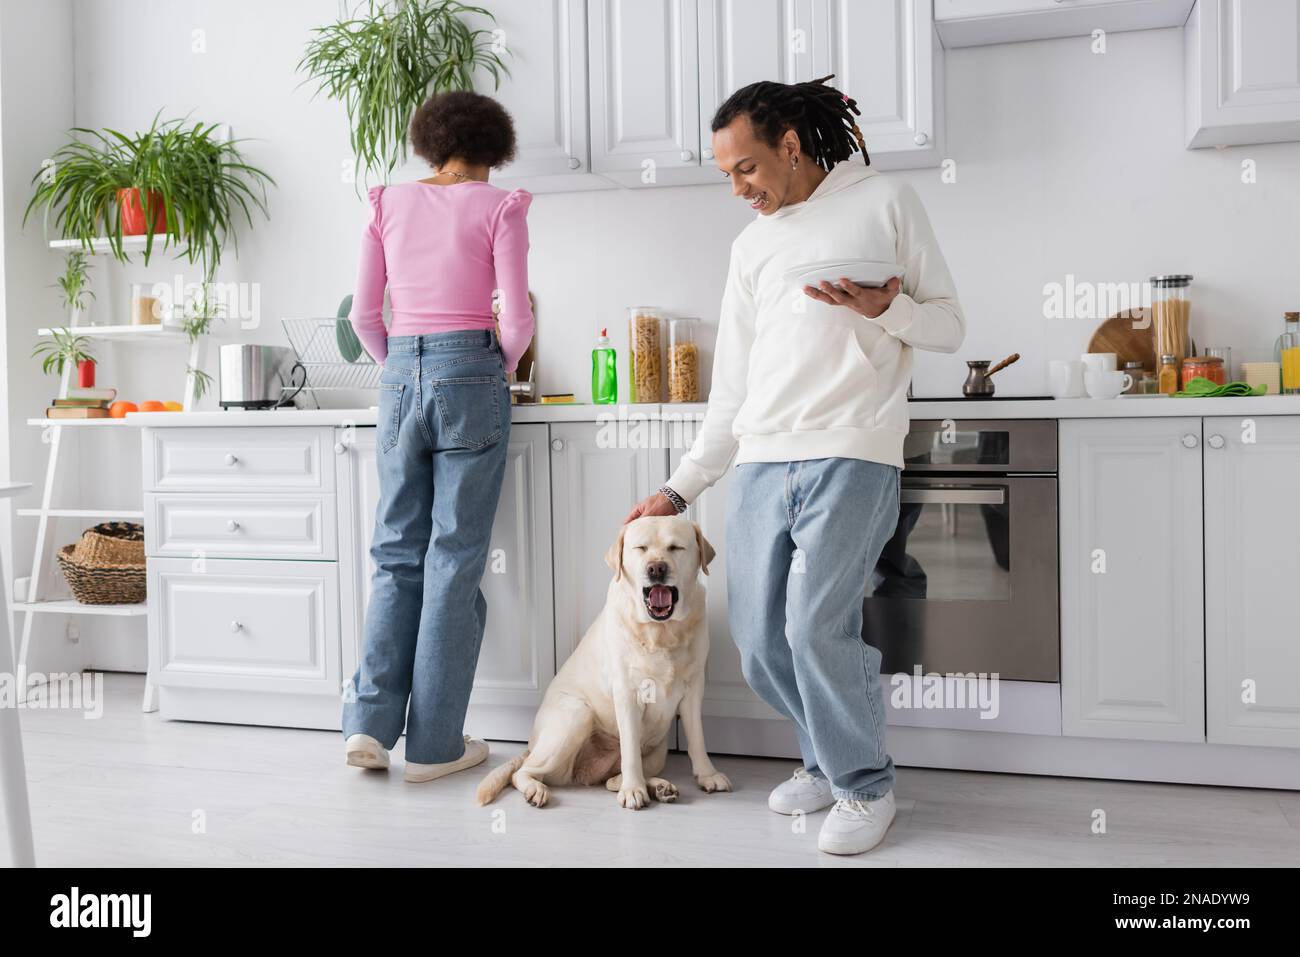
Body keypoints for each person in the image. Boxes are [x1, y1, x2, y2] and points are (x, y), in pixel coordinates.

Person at [625, 76, 965, 855]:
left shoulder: (886, 202)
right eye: (725, 175)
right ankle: (824, 757)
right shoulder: (753, 245)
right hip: (761, 460)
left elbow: (948, 324)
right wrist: (680, 486)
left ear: (788, 144)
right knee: (758, 640)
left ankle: (865, 783)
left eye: (745, 167)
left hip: (853, 449)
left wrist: (889, 310)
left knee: (817, 626)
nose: (738, 187)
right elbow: (734, 388)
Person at [341, 90, 534, 783]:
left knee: (395, 552)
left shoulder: (384, 201)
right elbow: (516, 321)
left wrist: (402, 371)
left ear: (432, 144)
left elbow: (366, 315)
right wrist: (495, 367)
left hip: (398, 377)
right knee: (453, 558)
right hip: (470, 374)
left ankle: (367, 726)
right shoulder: (501, 206)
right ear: (490, 150)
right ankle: (433, 745)